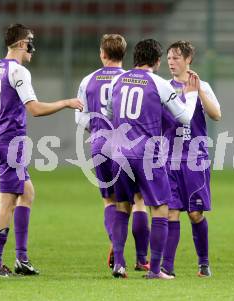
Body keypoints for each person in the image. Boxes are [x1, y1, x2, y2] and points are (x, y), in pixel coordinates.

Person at [0, 23, 83, 277]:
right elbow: (34, 109)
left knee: (27, 192)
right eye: (31, 42)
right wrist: (66, 102)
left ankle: (22, 259)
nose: (34, 47)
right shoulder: (18, 71)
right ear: (23, 43)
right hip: (10, 143)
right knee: (7, 202)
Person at [107, 39, 199, 279]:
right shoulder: (158, 83)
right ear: (157, 61)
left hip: (119, 153)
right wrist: (190, 95)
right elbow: (185, 118)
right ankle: (155, 270)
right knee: (160, 209)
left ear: (135, 58)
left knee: (122, 207)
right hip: (148, 154)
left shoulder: (118, 80)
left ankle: (119, 264)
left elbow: (108, 112)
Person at [75, 34, 150, 271]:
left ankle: (118, 256)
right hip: (127, 145)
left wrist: (97, 129)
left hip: (99, 143)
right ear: (123, 53)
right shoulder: (131, 79)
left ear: (102, 53)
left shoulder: (87, 81)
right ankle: (141, 260)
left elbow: (81, 118)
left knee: (110, 200)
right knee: (138, 199)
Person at [161, 41, 221, 277]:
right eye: (168, 58)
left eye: (176, 58)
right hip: (169, 159)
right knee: (171, 212)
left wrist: (199, 92)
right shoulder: (164, 87)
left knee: (195, 214)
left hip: (195, 159)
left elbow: (216, 114)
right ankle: (168, 267)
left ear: (188, 60)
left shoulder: (202, 85)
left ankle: (204, 263)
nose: (171, 62)